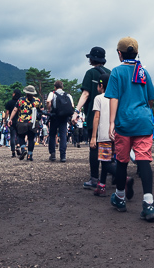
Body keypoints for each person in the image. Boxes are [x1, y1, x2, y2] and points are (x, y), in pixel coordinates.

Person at [106, 37, 154, 221]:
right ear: (136, 53)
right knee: (143, 160)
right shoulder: (143, 71)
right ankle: (149, 204)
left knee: (122, 161)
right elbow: (151, 99)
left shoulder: (117, 72)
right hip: (143, 122)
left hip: (124, 121)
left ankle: (120, 198)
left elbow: (114, 98)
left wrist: (111, 122)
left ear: (119, 54)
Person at [76, 47, 113, 187]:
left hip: (94, 115)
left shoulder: (90, 73)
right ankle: (112, 174)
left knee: (94, 146)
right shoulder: (110, 73)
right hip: (110, 117)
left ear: (92, 59)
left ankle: (94, 178)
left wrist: (77, 110)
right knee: (109, 146)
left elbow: (85, 94)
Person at [89, 79, 113, 195]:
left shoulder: (99, 98)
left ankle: (124, 178)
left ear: (101, 85)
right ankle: (101, 185)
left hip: (104, 134)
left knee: (105, 163)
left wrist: (93, 136)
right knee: (109, 161)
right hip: (116, 134)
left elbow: (96, 117)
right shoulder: (116, 96)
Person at [45, 79, 74, 162]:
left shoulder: (52, 93)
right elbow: (72, 105)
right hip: (64, 117)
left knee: (52, 134)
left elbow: (48, 101)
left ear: (55, 87)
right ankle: (63, 156)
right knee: (63, 135)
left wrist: (49, 110)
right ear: (62, 87)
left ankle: (52, 154)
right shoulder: (68, 95)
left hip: (54, 116)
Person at [9, 85, 40, 160]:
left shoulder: (20, 100)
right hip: (32, 122)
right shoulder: (37, 100)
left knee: (21, 136)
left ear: (26, 92)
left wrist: (10, 119)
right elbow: (41, 110)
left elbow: (15, 110)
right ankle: (30, 155)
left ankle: (23, 149)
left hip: (22, 122)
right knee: (31, 139)